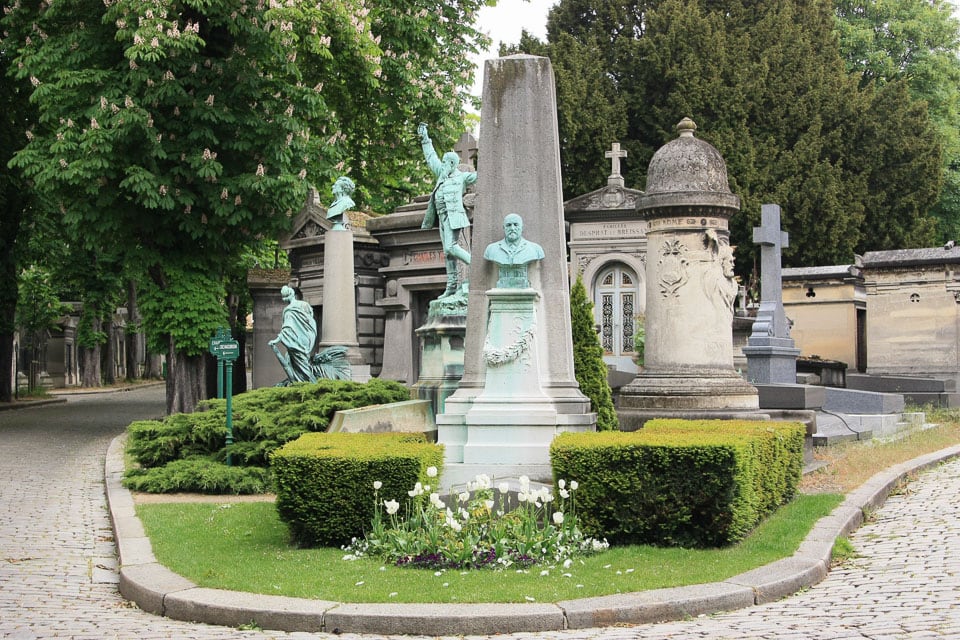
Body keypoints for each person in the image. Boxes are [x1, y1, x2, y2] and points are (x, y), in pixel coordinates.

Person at [418, 122, 477, 300]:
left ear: (452, 163)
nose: (442, 164)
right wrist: (425, 139)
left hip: (454, 217)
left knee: (452, 247)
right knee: (447, 252)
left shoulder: (462, 176)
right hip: (442, 216)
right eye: (442, 161)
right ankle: (451, 286)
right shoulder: (441, 173)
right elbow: (431, 157)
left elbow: (480, 175)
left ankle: (475, 267)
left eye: (445, 162)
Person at [269, 285, 317, 383]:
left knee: (300, 365)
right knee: (300, 361)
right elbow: (310, 319)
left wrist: (277, 340)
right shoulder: (304, 305)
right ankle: (304, 384)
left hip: (296, 342)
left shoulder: (288, 310)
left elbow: (287, 328)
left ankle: (307, 384)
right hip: (306, 338)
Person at [483, 213, 544, 289]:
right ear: (504, 228)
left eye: (516, 225)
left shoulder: (535, 249)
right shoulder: (491, 250)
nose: (512, 228)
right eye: (508, 225)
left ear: (522, 227)